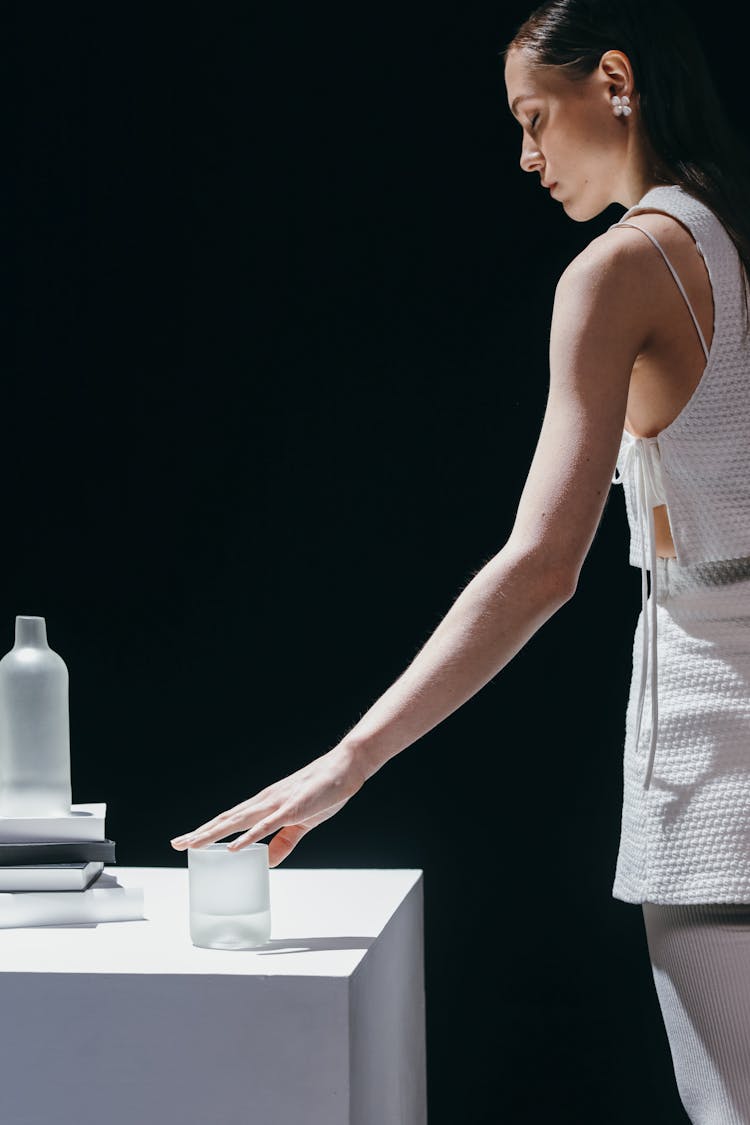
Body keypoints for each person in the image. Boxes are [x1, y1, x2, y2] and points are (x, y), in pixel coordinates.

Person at [171, 1, 750, 1119]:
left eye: (535, 117)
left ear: (615, 81)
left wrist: (350, 760)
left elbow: (543, 564)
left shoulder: (625, 267)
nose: (527, 157)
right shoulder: (733, 228)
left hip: (719, 759)